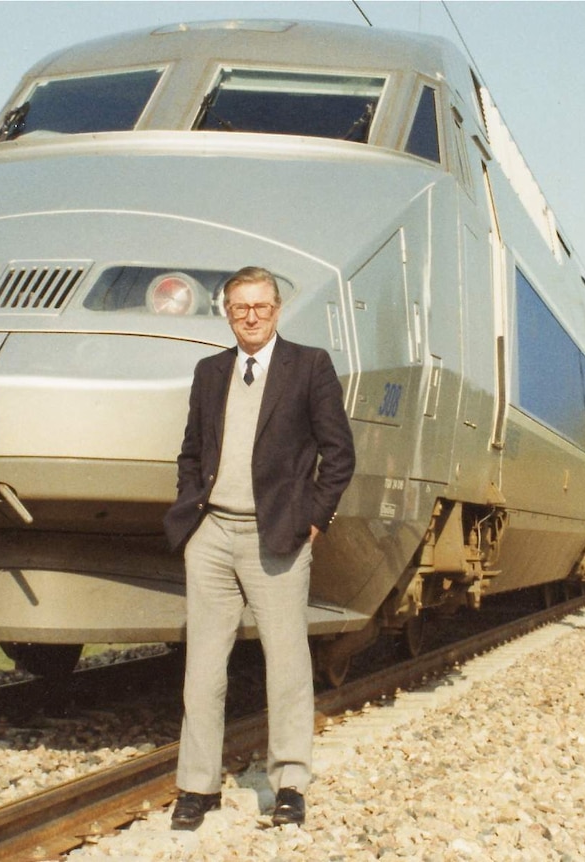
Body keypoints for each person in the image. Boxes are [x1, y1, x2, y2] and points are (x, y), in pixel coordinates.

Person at [163, 265, 356, 829]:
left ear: (277, 310)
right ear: (227, 312)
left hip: (278, 538)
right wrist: (192, 516)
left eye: (261, 307)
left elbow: (339, 454)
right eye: (240, 308)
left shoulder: (310, 367)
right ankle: (196, 788)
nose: (251, 317)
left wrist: (313, 519)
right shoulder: (209, 371)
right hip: (212, 536)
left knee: (288, 664)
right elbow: (191, 453)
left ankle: (290, 783)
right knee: (203, 669)